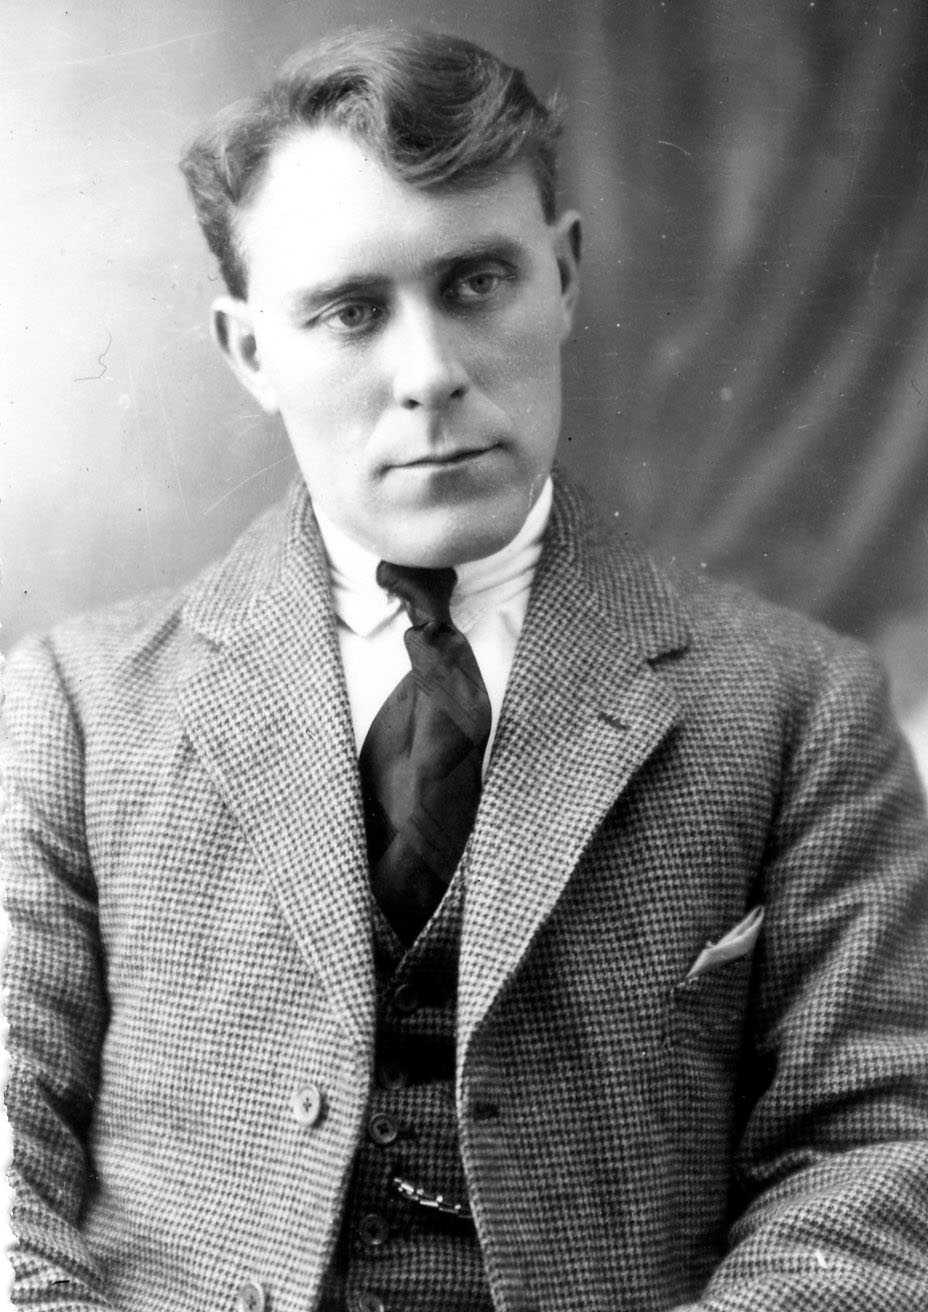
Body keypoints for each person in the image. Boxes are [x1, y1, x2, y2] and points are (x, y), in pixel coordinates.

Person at [4, 26, 928, 1312]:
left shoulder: (798, 707)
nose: (430, 374)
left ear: (564, 274)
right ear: (250, 350)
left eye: (477, 283)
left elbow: (877, 1152)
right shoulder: (72, 707)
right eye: (350, 312)